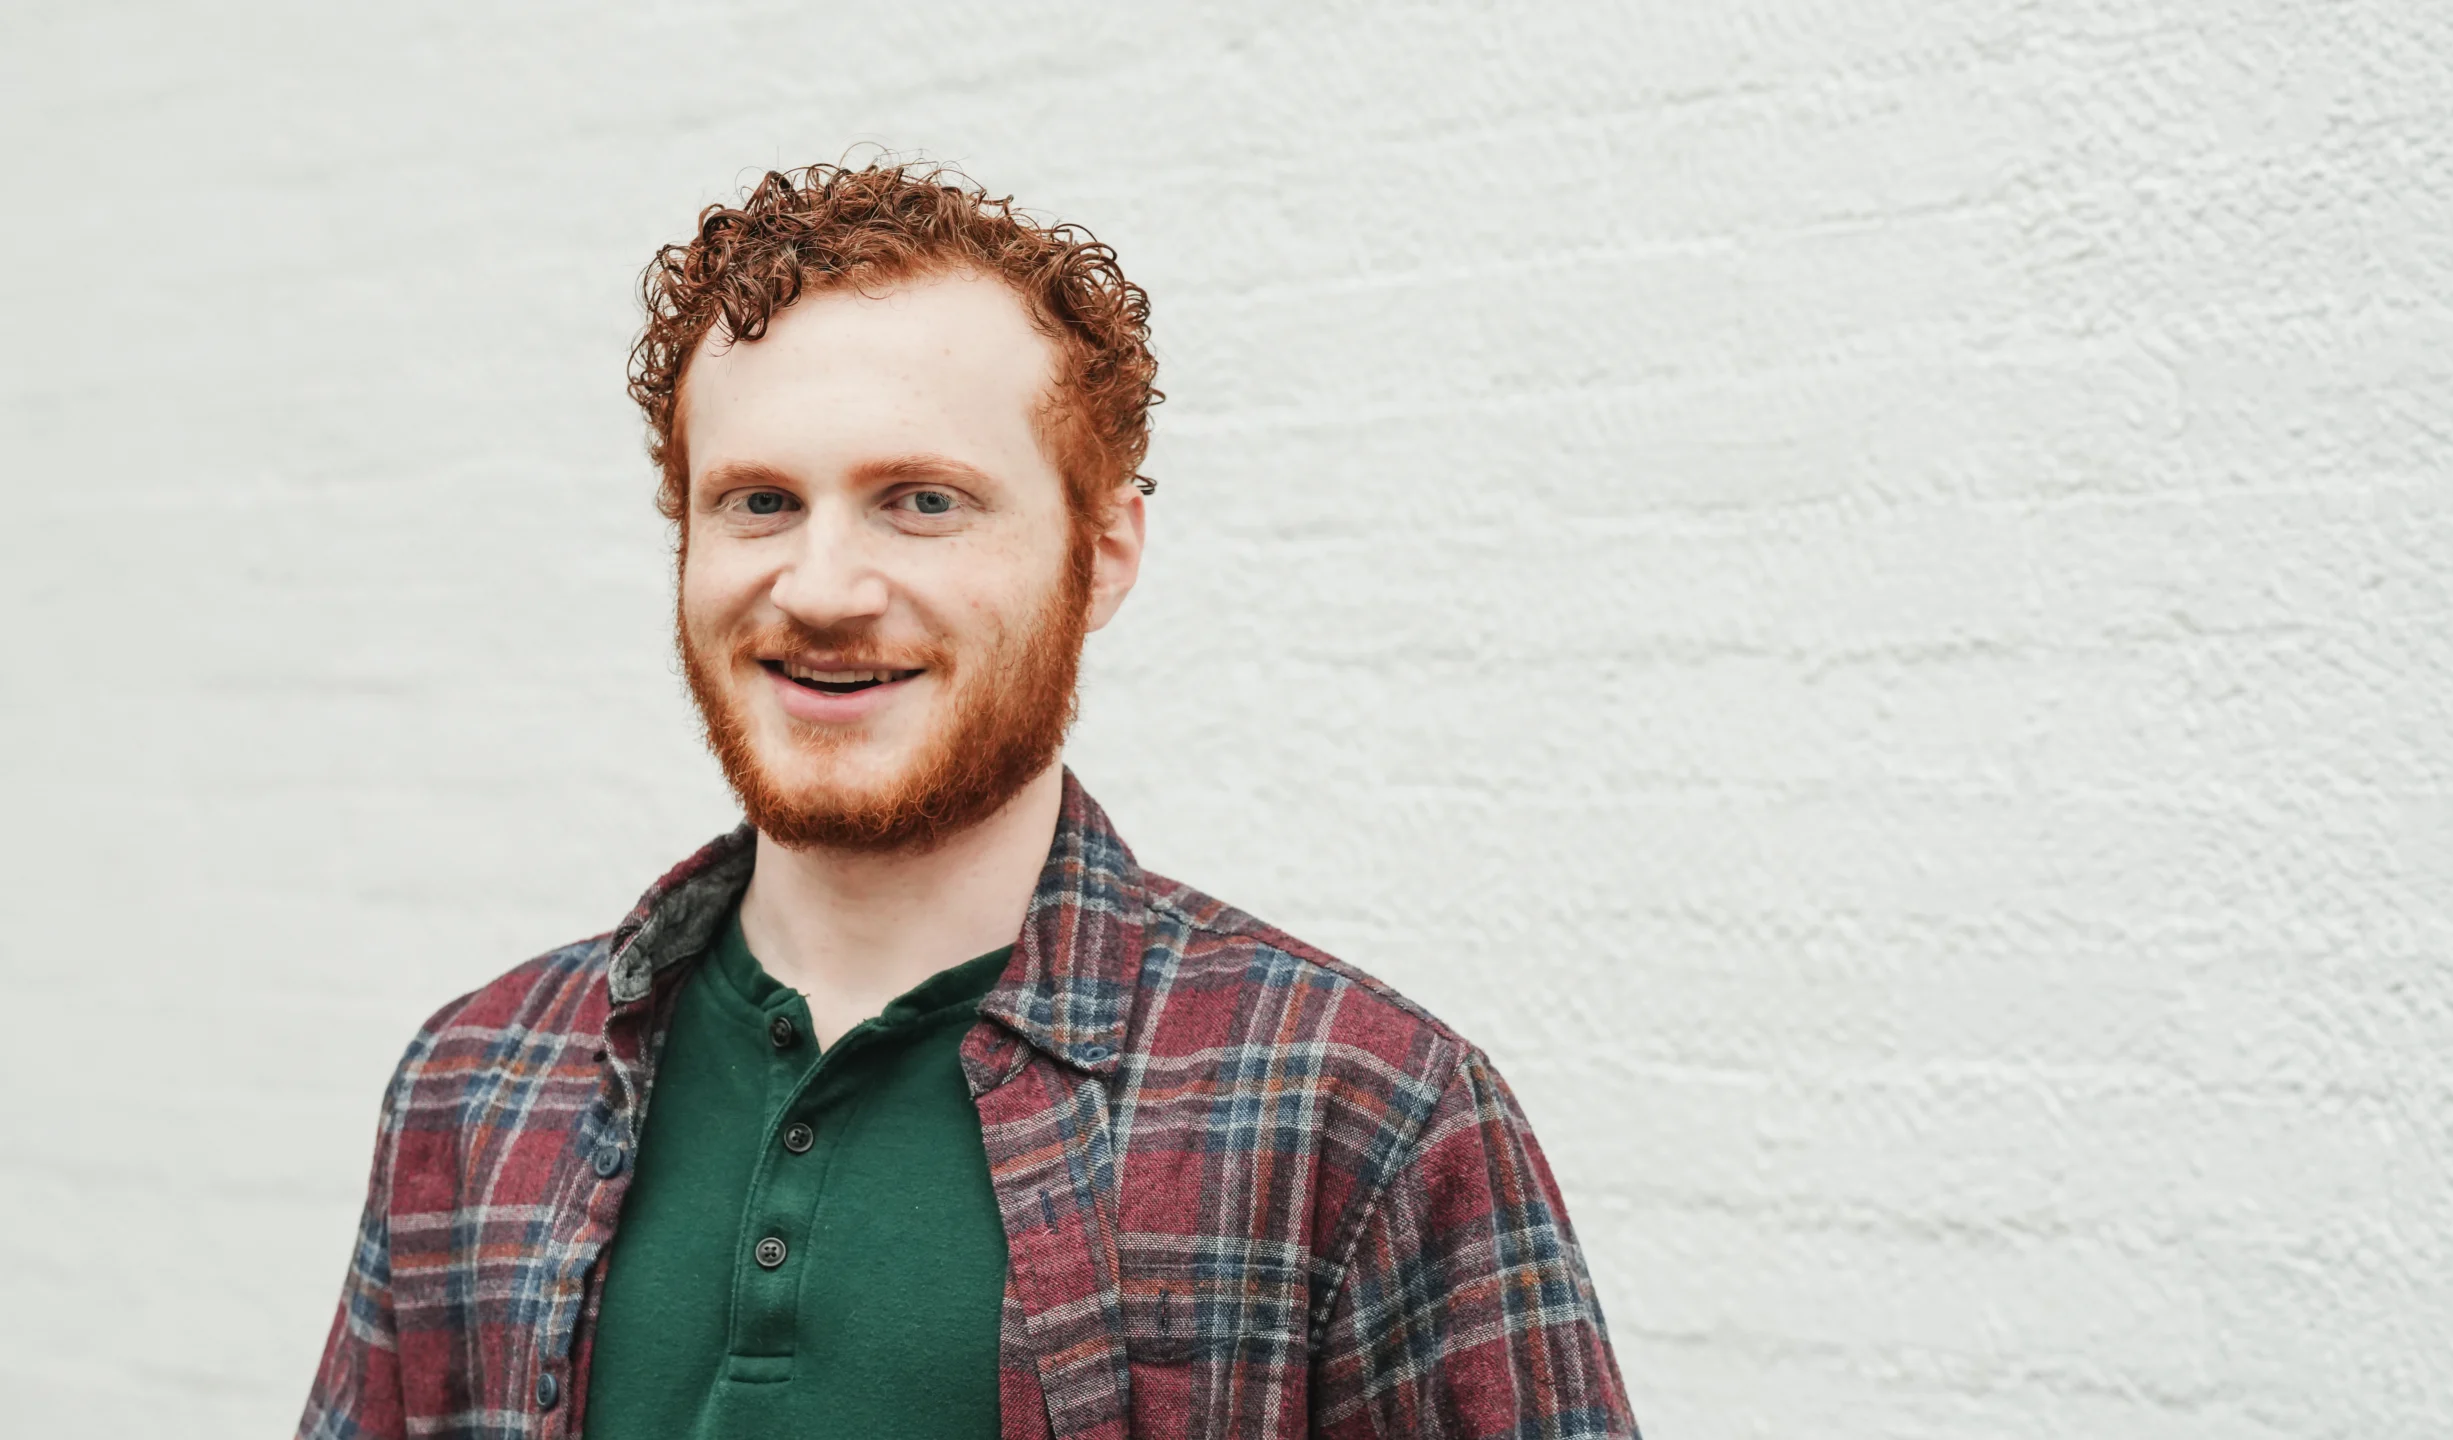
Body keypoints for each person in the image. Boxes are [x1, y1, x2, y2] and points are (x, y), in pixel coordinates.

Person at [299, 160, 1637, 1440]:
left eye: (921, 501)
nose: (822, 587)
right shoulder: (475, 1090)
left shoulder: (1356, 1117)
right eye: (760, 500)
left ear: (1101, 555)